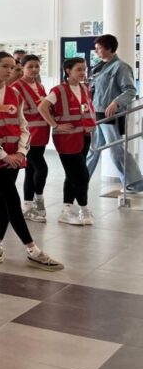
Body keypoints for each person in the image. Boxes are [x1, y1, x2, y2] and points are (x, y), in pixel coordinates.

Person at [0, 52, 64, 271]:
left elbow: (23, 126)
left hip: (15, 156)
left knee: (4, 200)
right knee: (12, 199)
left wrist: (21, 151)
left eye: (12, 67)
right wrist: (3, 155)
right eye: (5, 66)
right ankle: (33, 250)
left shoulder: (14, 94)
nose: (10, 71)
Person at [39, 57, 96, 226]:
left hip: (83, 136)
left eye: (84, 69)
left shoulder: (84, 88)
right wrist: (55, 125)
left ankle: (66, 210)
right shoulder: (58, 90)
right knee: (82, 175)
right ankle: (84, 209)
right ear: (68, 71)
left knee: (72, 175)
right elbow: (42, 107)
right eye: (79, 69)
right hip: (66, 138)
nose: (83, 73)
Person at [87, 34, 143, 191]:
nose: (96, 51)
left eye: (99, 48)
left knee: (116, 151)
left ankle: (135, 183)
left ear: (109, 48)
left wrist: (116, 102)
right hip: (96, 113)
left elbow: (130, 90)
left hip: (110, 115)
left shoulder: (121, 67)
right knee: (93, 150)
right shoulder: (99, 67)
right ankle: (81, 179)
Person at [12, 54, 50, 221]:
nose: (34, 69)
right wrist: (43, 104)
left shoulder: (40, 85)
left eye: (37, 66)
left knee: (31, 170)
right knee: (41, 168)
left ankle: (27, 206)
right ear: (22, 68)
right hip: (28, 134)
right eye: (30, 67)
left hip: (41, 133)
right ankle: (38, 199)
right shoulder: (16, 87)